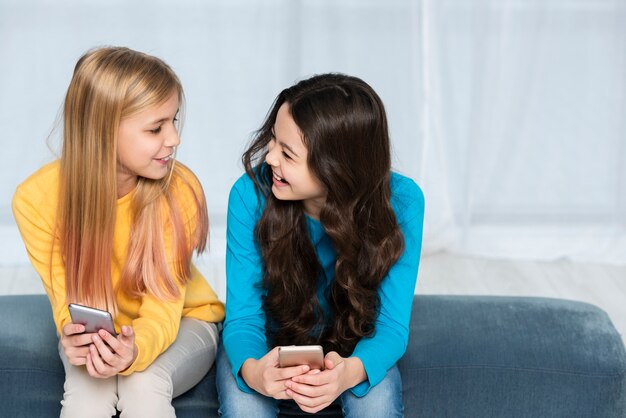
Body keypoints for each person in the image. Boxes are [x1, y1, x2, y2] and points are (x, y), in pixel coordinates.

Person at [12, 46, 225, 417]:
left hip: (184, 319)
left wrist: (134, 350)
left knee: (143, 384)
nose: (173, 138)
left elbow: (164, 305)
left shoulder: (180, 190)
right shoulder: (35, 199)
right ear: (104, 131)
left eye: (173, 121)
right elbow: (67, 300)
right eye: (156, 127)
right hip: (99, 329)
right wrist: (75, 337)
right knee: (86, 396)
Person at [217, 73, 425, 417]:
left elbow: (391, 327)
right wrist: (256, 372)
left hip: (354, 347)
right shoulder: (248, 194)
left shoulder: (402, 202)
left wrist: (349, 372)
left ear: (337, 168)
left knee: (376, 405)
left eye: (287, 153)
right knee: (244, 407)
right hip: (267, 346)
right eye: (272, 141)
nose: (270, 159)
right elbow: (243, 319)